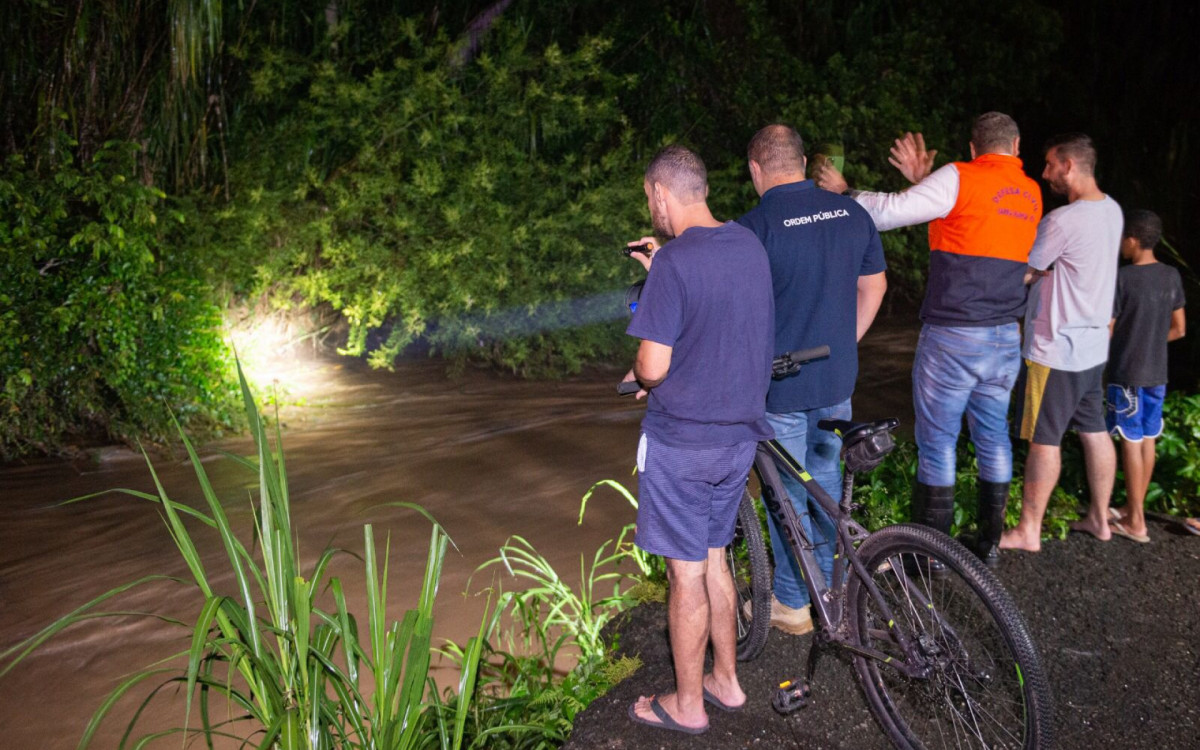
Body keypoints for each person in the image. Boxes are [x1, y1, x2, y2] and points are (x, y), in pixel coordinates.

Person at [815, 113, 1042, 566]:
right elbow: (968, 220)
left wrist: (844, 193)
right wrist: (925, 181)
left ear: (973, 149)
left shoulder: (961, 176)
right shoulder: (1031, 192)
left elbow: (889, 213)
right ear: (1016, 147)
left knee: (938, 441)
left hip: (955, 336)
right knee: (993, 436)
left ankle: (928, 558)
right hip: (1003, 337)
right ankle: (989, 546)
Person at [621, 145, 775, 735]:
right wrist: (663, 270)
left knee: (684, 573)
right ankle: (726, 682)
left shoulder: (676, 265)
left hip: (683, 444)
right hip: (738, 440)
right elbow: (722, 326)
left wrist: (641, 370)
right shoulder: (747, 246)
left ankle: (688, 705)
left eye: (649, 197)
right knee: (713, 555)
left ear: (660, 194)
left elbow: (653, 367)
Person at [736, 124, 886, 634]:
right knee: (823, 482)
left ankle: (793, 602)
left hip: (781, 385)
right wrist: (848, 341)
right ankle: (832, 585)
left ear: (756, 169)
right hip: (837, 377)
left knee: (785, 493)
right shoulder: (852, 213)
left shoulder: (754, 229)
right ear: (802, 161)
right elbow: (874, 286)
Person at [1000, 133, 1123, 551]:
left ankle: (1028, 530)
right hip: (1091, 348)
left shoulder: (1062, 221)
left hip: (1056, 348)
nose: (1045, 172)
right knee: (1094, 430)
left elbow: (1024, 270)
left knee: (1044, 439)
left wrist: (1030, 273)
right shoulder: (1113, 211)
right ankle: (1100, 519)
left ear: (1070, 165)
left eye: (1051, 164)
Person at [1104, 209, 1186, 542]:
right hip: (1157, 373)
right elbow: (1179, 330)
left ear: (1133, 239)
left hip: (1127, 372)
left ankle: (1136, 522)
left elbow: (1108, 330)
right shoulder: (1171, 276)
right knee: (1147, 438)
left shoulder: (1122, 278)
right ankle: (1131, 507)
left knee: (1130, 440)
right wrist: (1152, 340)